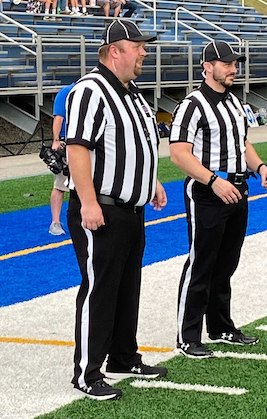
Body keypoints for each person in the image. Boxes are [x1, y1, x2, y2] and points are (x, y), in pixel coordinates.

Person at [66, 19, 167, 400]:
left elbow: (135, 145)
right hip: (103, 209)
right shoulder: (90, 90)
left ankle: (123, 356)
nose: (144, 51)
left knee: (128, 286)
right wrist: (89, 202)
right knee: (100, 289)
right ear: (114, 50)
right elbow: (78, 150)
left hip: (131, 208)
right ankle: (86, 373)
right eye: (138, 45)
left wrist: (150, 182)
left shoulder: (133, 92)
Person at [169, 41, 267, 359]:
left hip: (238, 189)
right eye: (227, 63)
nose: (234, 68)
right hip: (207, 191)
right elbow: (178, 154)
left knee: (226, 263)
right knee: (201, 263)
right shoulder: (192, 104)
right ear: (207, 67)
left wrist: (259, 166)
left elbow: (242, 143)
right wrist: (214, 181)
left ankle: (220, 327)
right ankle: (188, 336)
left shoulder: (234, 104)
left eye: (235, 63)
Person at [48, 83, 75, 236]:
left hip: (81, 141)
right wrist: (57, 140)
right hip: (67, 142)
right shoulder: (67, 92)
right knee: (60, 184)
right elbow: (59, 117)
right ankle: (55, 221)